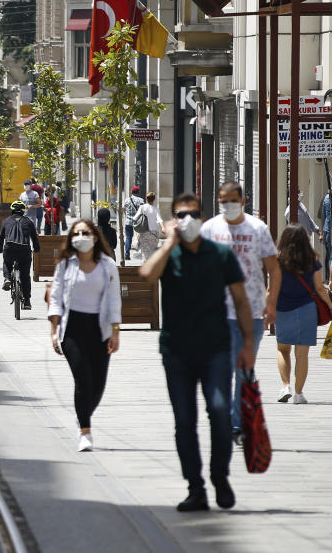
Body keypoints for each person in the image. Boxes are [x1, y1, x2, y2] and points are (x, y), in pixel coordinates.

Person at [140, 192, 255, 512]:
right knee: (184, 422)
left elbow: (242, 301)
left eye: (192, 213)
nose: (186, 219)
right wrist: (169, 243)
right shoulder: (169, 254)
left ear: (201, 219)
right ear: (174, 219)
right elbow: (147, 274)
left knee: (219, 415)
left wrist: (247, 345)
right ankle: (196, 488)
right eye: (180, 214)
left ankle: (220, 476)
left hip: (216, 349)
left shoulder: (219, 254)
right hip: (176, 352)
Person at [200, 181, 280, 442]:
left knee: (244, 369)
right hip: (217, 312)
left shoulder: (258, 229)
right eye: (223, 200)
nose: (227, 205)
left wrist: (271, 302)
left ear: (243, 201)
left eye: (233, 199)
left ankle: (238, 425)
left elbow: (274, 269)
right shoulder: (210, 229)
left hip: (251, 313)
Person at [48, 219, 120, 451]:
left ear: (96, 237)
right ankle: (85, 432)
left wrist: (116, 331)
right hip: (72, 330)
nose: (81, 237)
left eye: (86, 233)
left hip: (99, 329)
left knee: (98, 385)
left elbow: (114, 299)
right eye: (76, 233)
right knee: (83, 379)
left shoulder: (107, 265)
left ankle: (82, 413)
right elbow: (56, 295)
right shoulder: (65, 265)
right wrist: (53, 330)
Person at [273, 224, 330, 405]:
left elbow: (271, 287)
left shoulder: (277, 260)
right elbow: (320, 287)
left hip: (282, 308)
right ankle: (298, 393)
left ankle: (285, 386)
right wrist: (330, 304)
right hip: (307, 310)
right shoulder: (313, 260)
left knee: (283, 350)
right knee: (302, 354)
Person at [0, 201, 41, 309]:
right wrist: (37, 249)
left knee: (7, 262)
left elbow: (1, 237)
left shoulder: (6, 221)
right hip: (24, 250)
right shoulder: (28, 222)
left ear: (12, 210)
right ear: (23, 211)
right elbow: (34, 238)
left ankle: (7, 278)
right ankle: (27, 302)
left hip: (9, 249)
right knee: (25, 276)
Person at [133, 192, 163, 260]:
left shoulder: (142, 207)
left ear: (146, 199)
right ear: (154, 199)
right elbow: (159, 219)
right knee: (153, 253)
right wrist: (163, 227)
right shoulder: (156, 209)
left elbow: (135, 218)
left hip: (145, 232)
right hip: (154, 234)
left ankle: (146, 267)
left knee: (145, 253)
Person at [124, 186, 145, 260]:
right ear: (138, 192)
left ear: (131, 192)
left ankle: (127, 253)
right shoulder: (141, 200)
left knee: (128, 237)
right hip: (138, 222)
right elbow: (143, 211)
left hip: (128, 221)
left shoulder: (127, 200)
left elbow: (124, 209)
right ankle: (141, 253)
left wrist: (127, 216)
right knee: (141, 237)